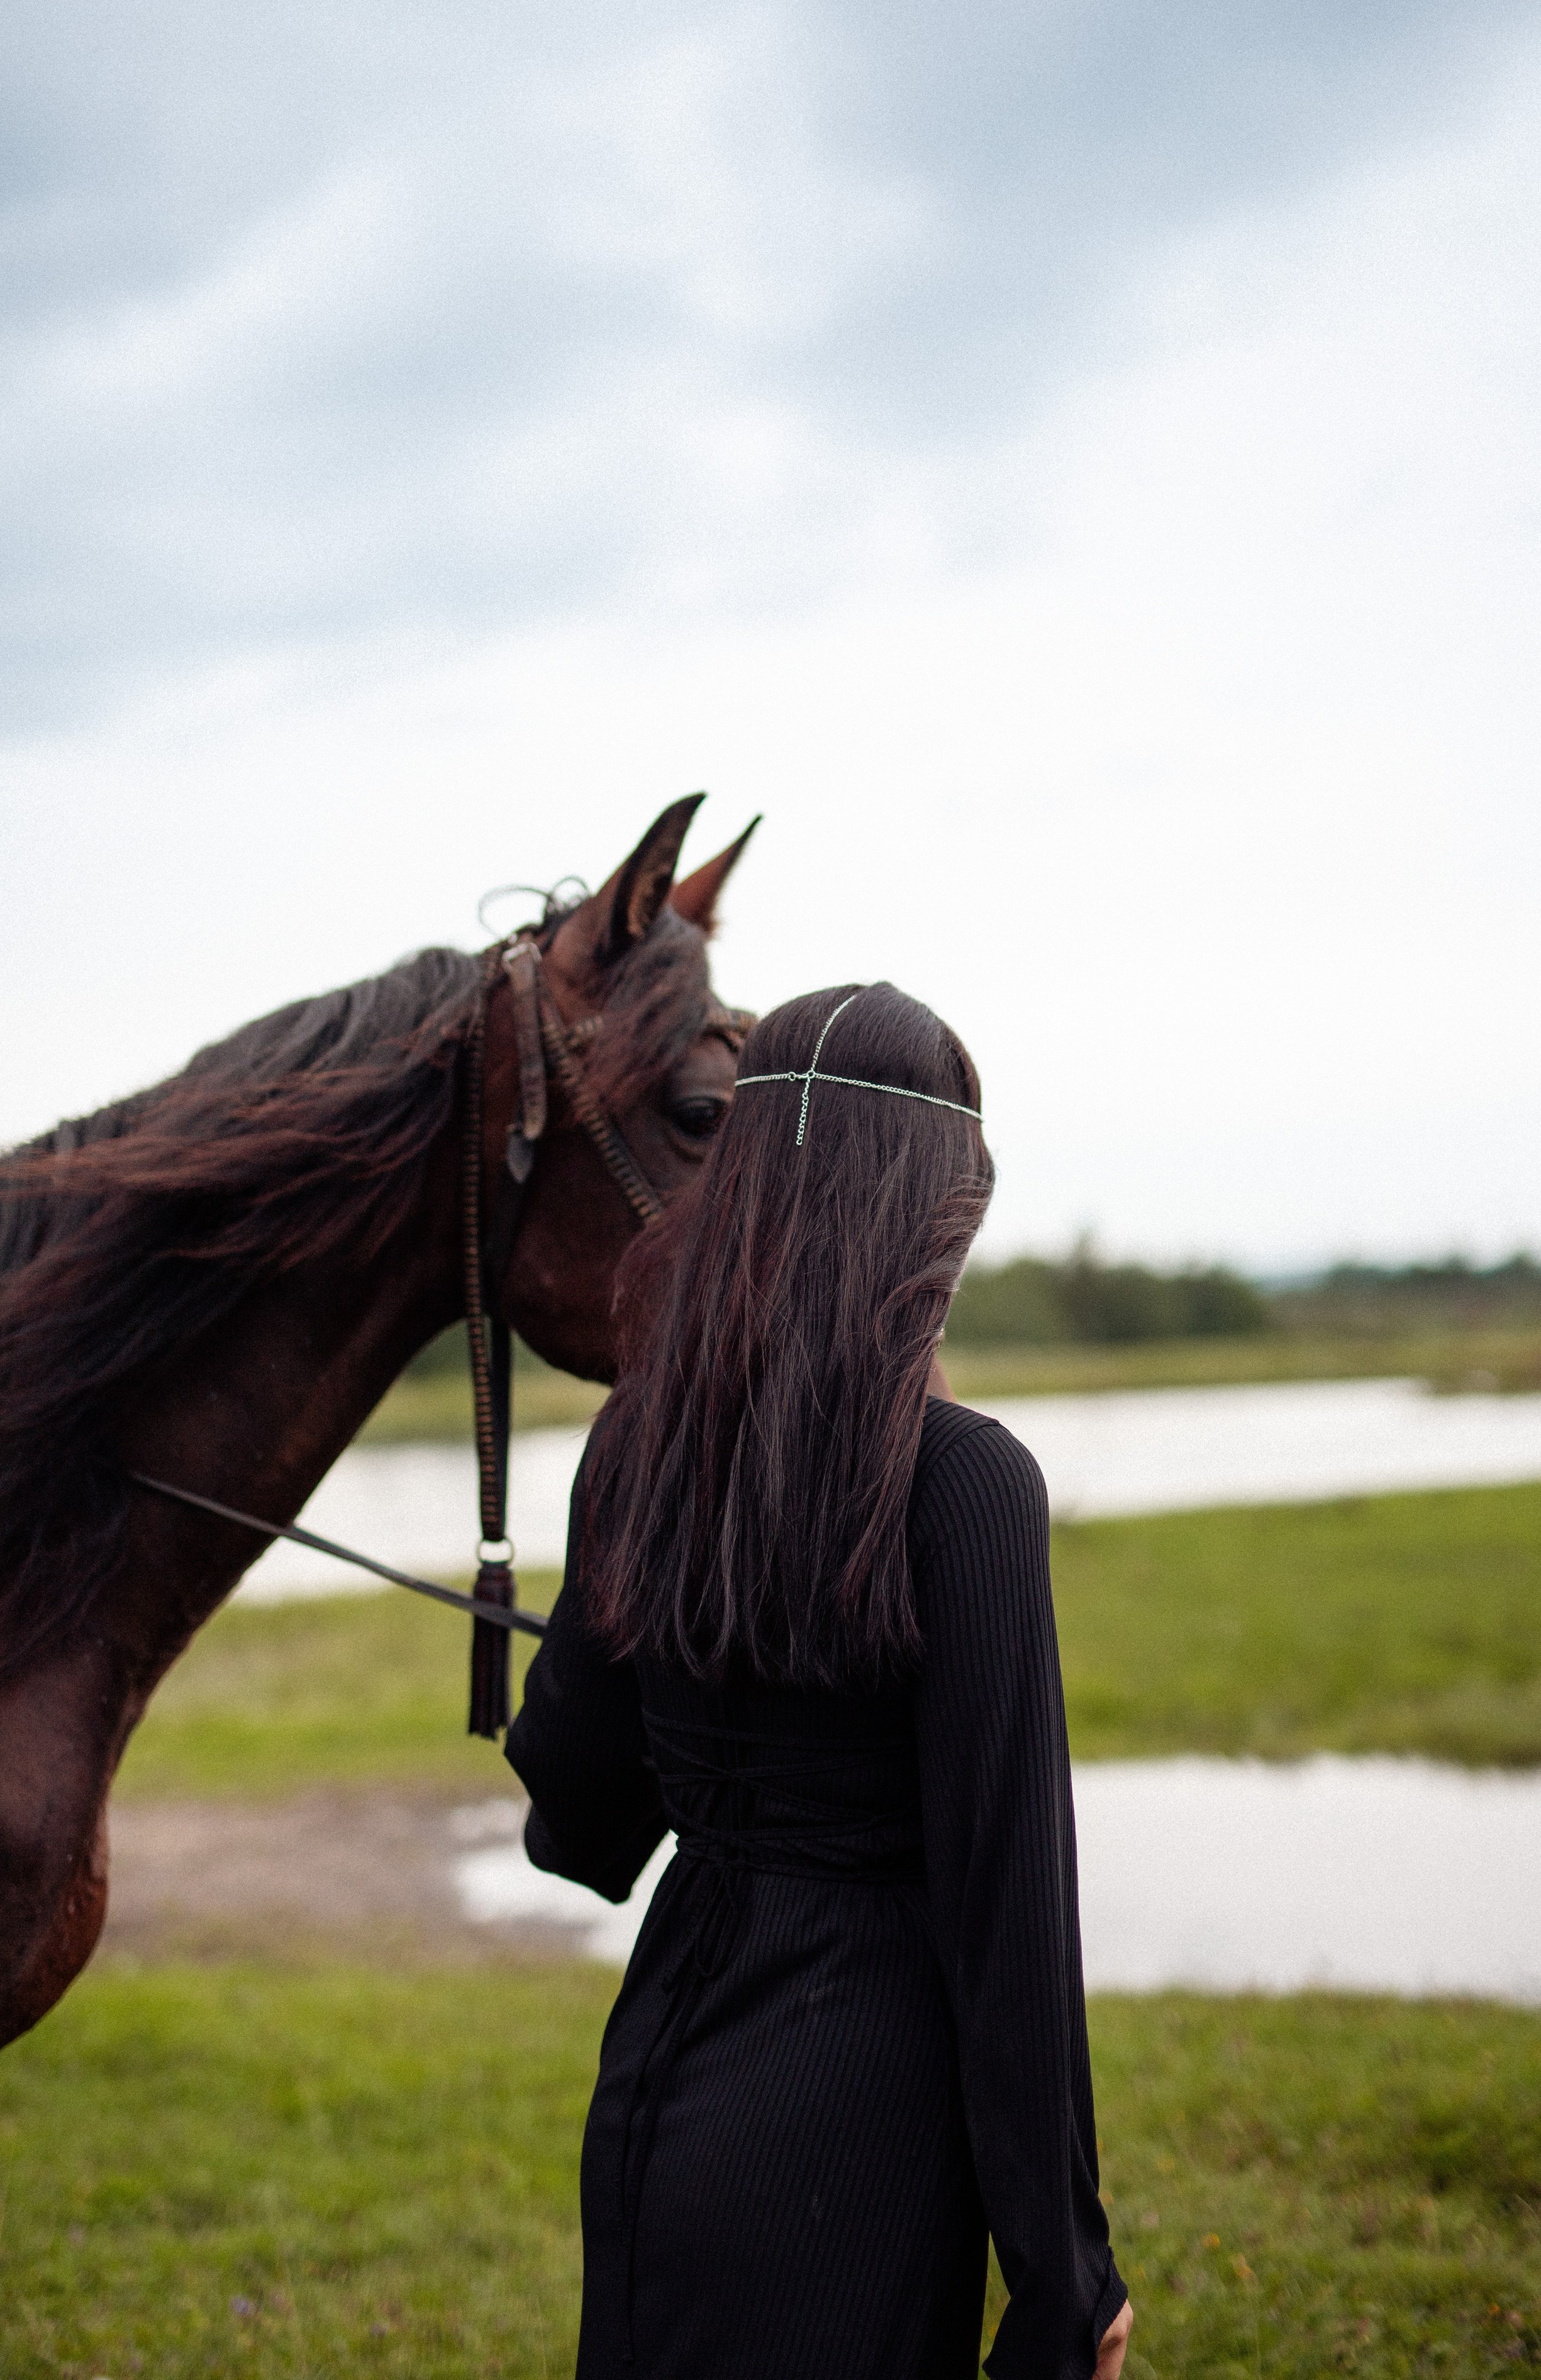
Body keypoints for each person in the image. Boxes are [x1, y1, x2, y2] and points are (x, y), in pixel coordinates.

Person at [506, 982, 1132, 2380]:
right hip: (862, 2125)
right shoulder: (965, 1483)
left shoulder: (633, 1442)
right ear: (936, 1206)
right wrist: (1063, 2275)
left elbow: (578, 1800)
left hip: (663, 2082)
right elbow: (1006, 1904)